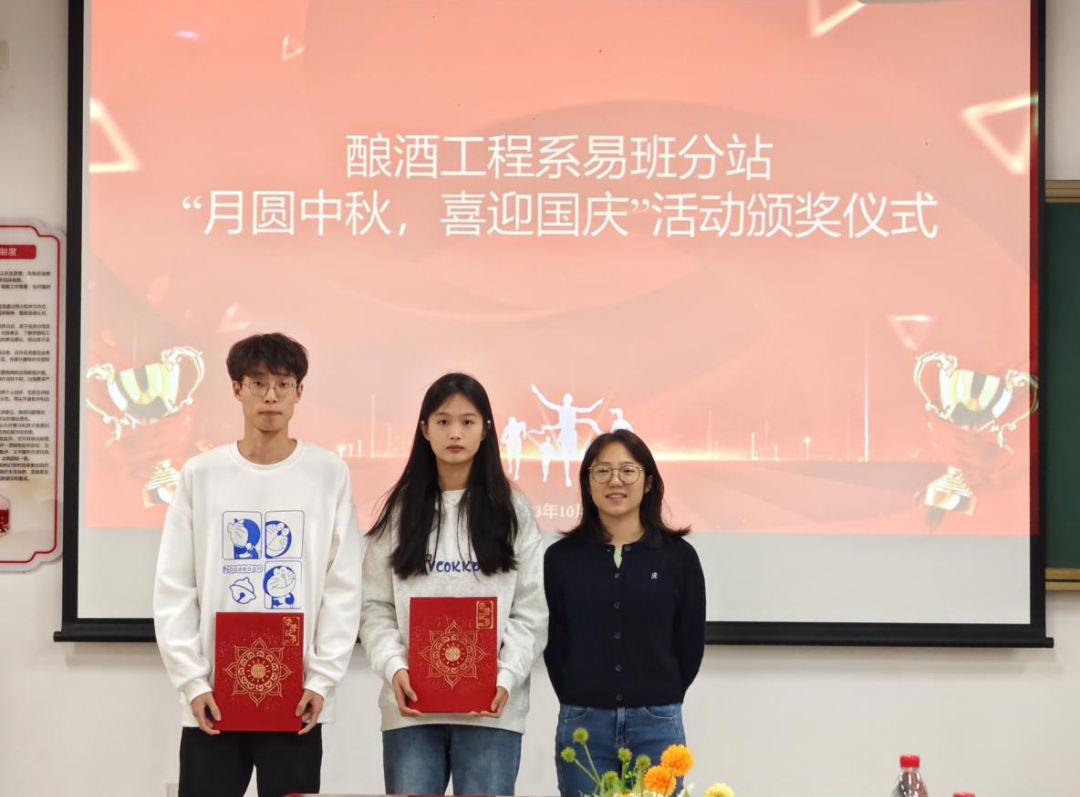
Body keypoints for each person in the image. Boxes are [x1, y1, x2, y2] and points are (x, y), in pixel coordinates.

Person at [153, 333, 362, 797]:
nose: (270, 396)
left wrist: (322, 680)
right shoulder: (201, 473)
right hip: (213, 700)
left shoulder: (328, 473)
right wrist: (192, 682)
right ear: (236, 389)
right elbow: (174, 587)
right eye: (258, 383)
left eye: (283, 384)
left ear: (299, 392)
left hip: (296, 700)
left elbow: (344, 586)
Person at [360, 372, 547, 796]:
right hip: (411, 709)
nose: (455, 433)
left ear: (486, 430)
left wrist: (504, 677)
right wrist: (394, 667)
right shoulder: (399, 511)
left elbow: (531, 609)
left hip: (492, 711)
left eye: (467, 421)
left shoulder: (512, 510)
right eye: (443, 421)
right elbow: (375, 606)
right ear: (425, 430)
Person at [544, 430, 705, 797]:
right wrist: (580, 694)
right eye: (602, 471)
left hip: (657, 722)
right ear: (587, 483)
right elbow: (556, 643)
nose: (614, 481)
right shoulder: (561, 558)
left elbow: (689, 642)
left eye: (628, 470)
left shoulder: (678, 557)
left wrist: (659, 693)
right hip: (584, 723)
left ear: (647, 482)